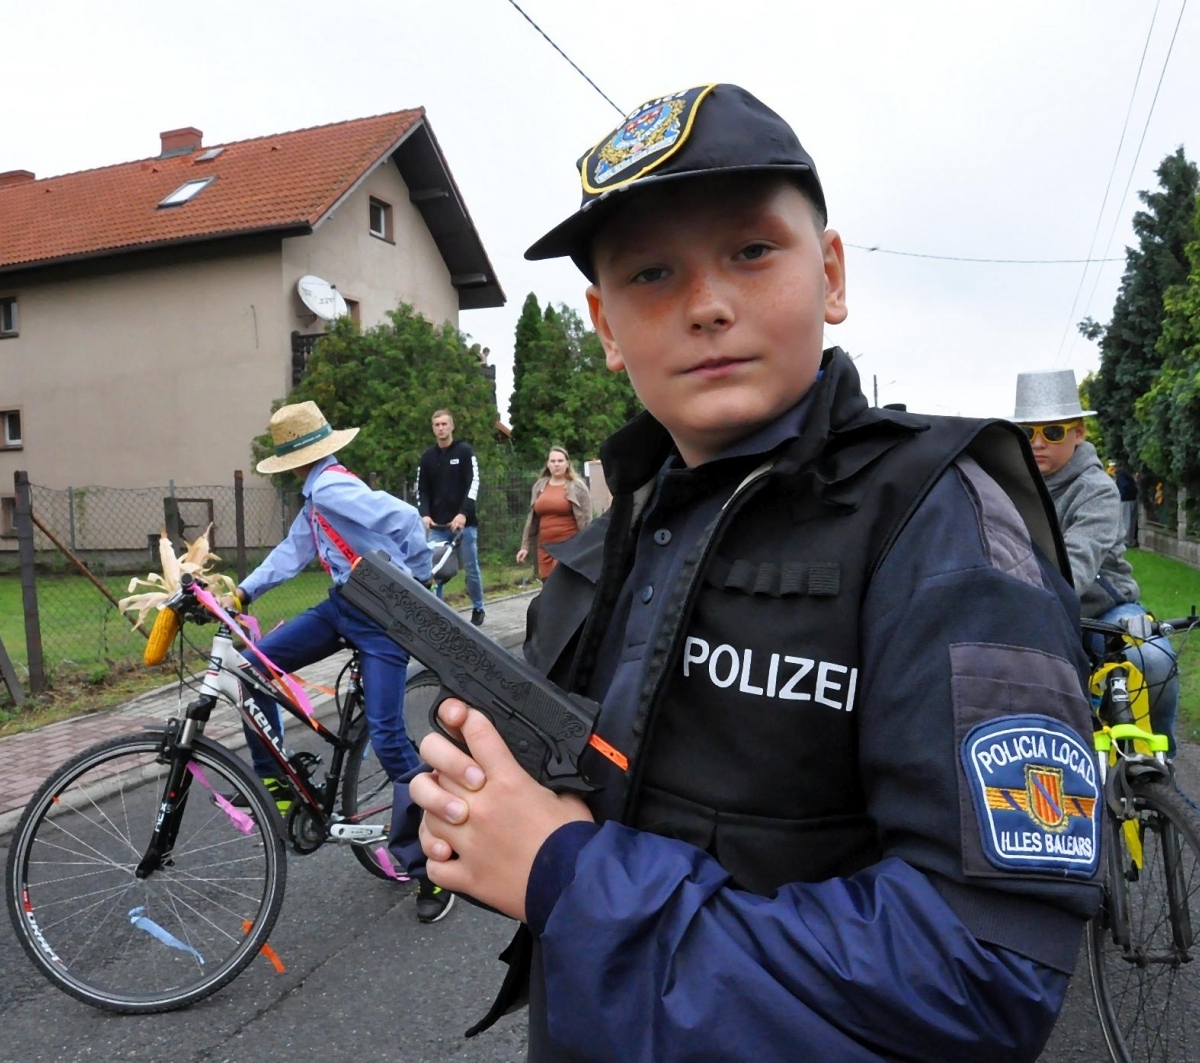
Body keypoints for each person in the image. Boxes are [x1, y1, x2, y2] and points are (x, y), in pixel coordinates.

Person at [405, 84, 1100, 1060]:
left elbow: (984, 975)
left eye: (750, 251)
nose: (707, 305)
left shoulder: (936, 522)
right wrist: (462, 800)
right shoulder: (610, 542)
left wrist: (565, 871)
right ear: (606, 326)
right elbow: (563, 796)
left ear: (831, 274)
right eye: (652, 272)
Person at [236, 400, 456, 924]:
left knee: (388, 737)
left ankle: (431, 866)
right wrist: (243, 592)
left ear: (293, 461)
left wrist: (418, 577)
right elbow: (293, 551)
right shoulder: (318, 496)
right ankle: (278, 785)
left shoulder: (331, 488)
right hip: (344, 605)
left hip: (380, 616)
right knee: (251, 666)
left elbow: (405, 518)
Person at [1012, 370, 1183, 768]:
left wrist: (1030, 609)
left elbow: (1077, 561)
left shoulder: (1097, 489)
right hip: (1030, 610)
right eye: (1026, 432)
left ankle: (1159, 765)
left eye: (1052, 431)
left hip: (1103, 612)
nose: (1037, 443)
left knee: (1154, 658)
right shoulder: (1005, 487)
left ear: (1079, 433)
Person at [416, 409, 487, 626]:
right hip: (437, 526)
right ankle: (436, 614)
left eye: (444, 424)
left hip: (464, 525)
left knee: (471, 567)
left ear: (452, 426)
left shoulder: (464, 452)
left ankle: (478, 607)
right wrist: (425, 515)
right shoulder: (428, 457)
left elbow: (473, 483)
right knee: (435, 570)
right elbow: (422, 489)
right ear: (433, 428)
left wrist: (463, 513)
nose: (441, 428)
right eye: (437, 425)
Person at [516, 446, 592, 580]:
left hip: (568, 547)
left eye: (560, 461)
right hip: (545, 547)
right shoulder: (539, 486)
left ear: (567, 464)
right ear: (548, 464)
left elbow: (586, 519)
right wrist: (525, 547)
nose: (556, 464)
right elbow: (532, 519)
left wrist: (586, 547)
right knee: (547, 583)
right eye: (553, 461)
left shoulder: (577, 487)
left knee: (561, 582)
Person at [1113, 461, 1140, 547]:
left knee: (1126, 520)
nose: (1114, 469)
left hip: (1126, 500)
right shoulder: (1125, 475)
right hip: (1132, 499)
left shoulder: (1121, 476)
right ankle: (1130, 540)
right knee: (1131, 521)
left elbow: (1125, 487)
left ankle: (1126, 541)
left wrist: (1121, 495)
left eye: (1115, 466)